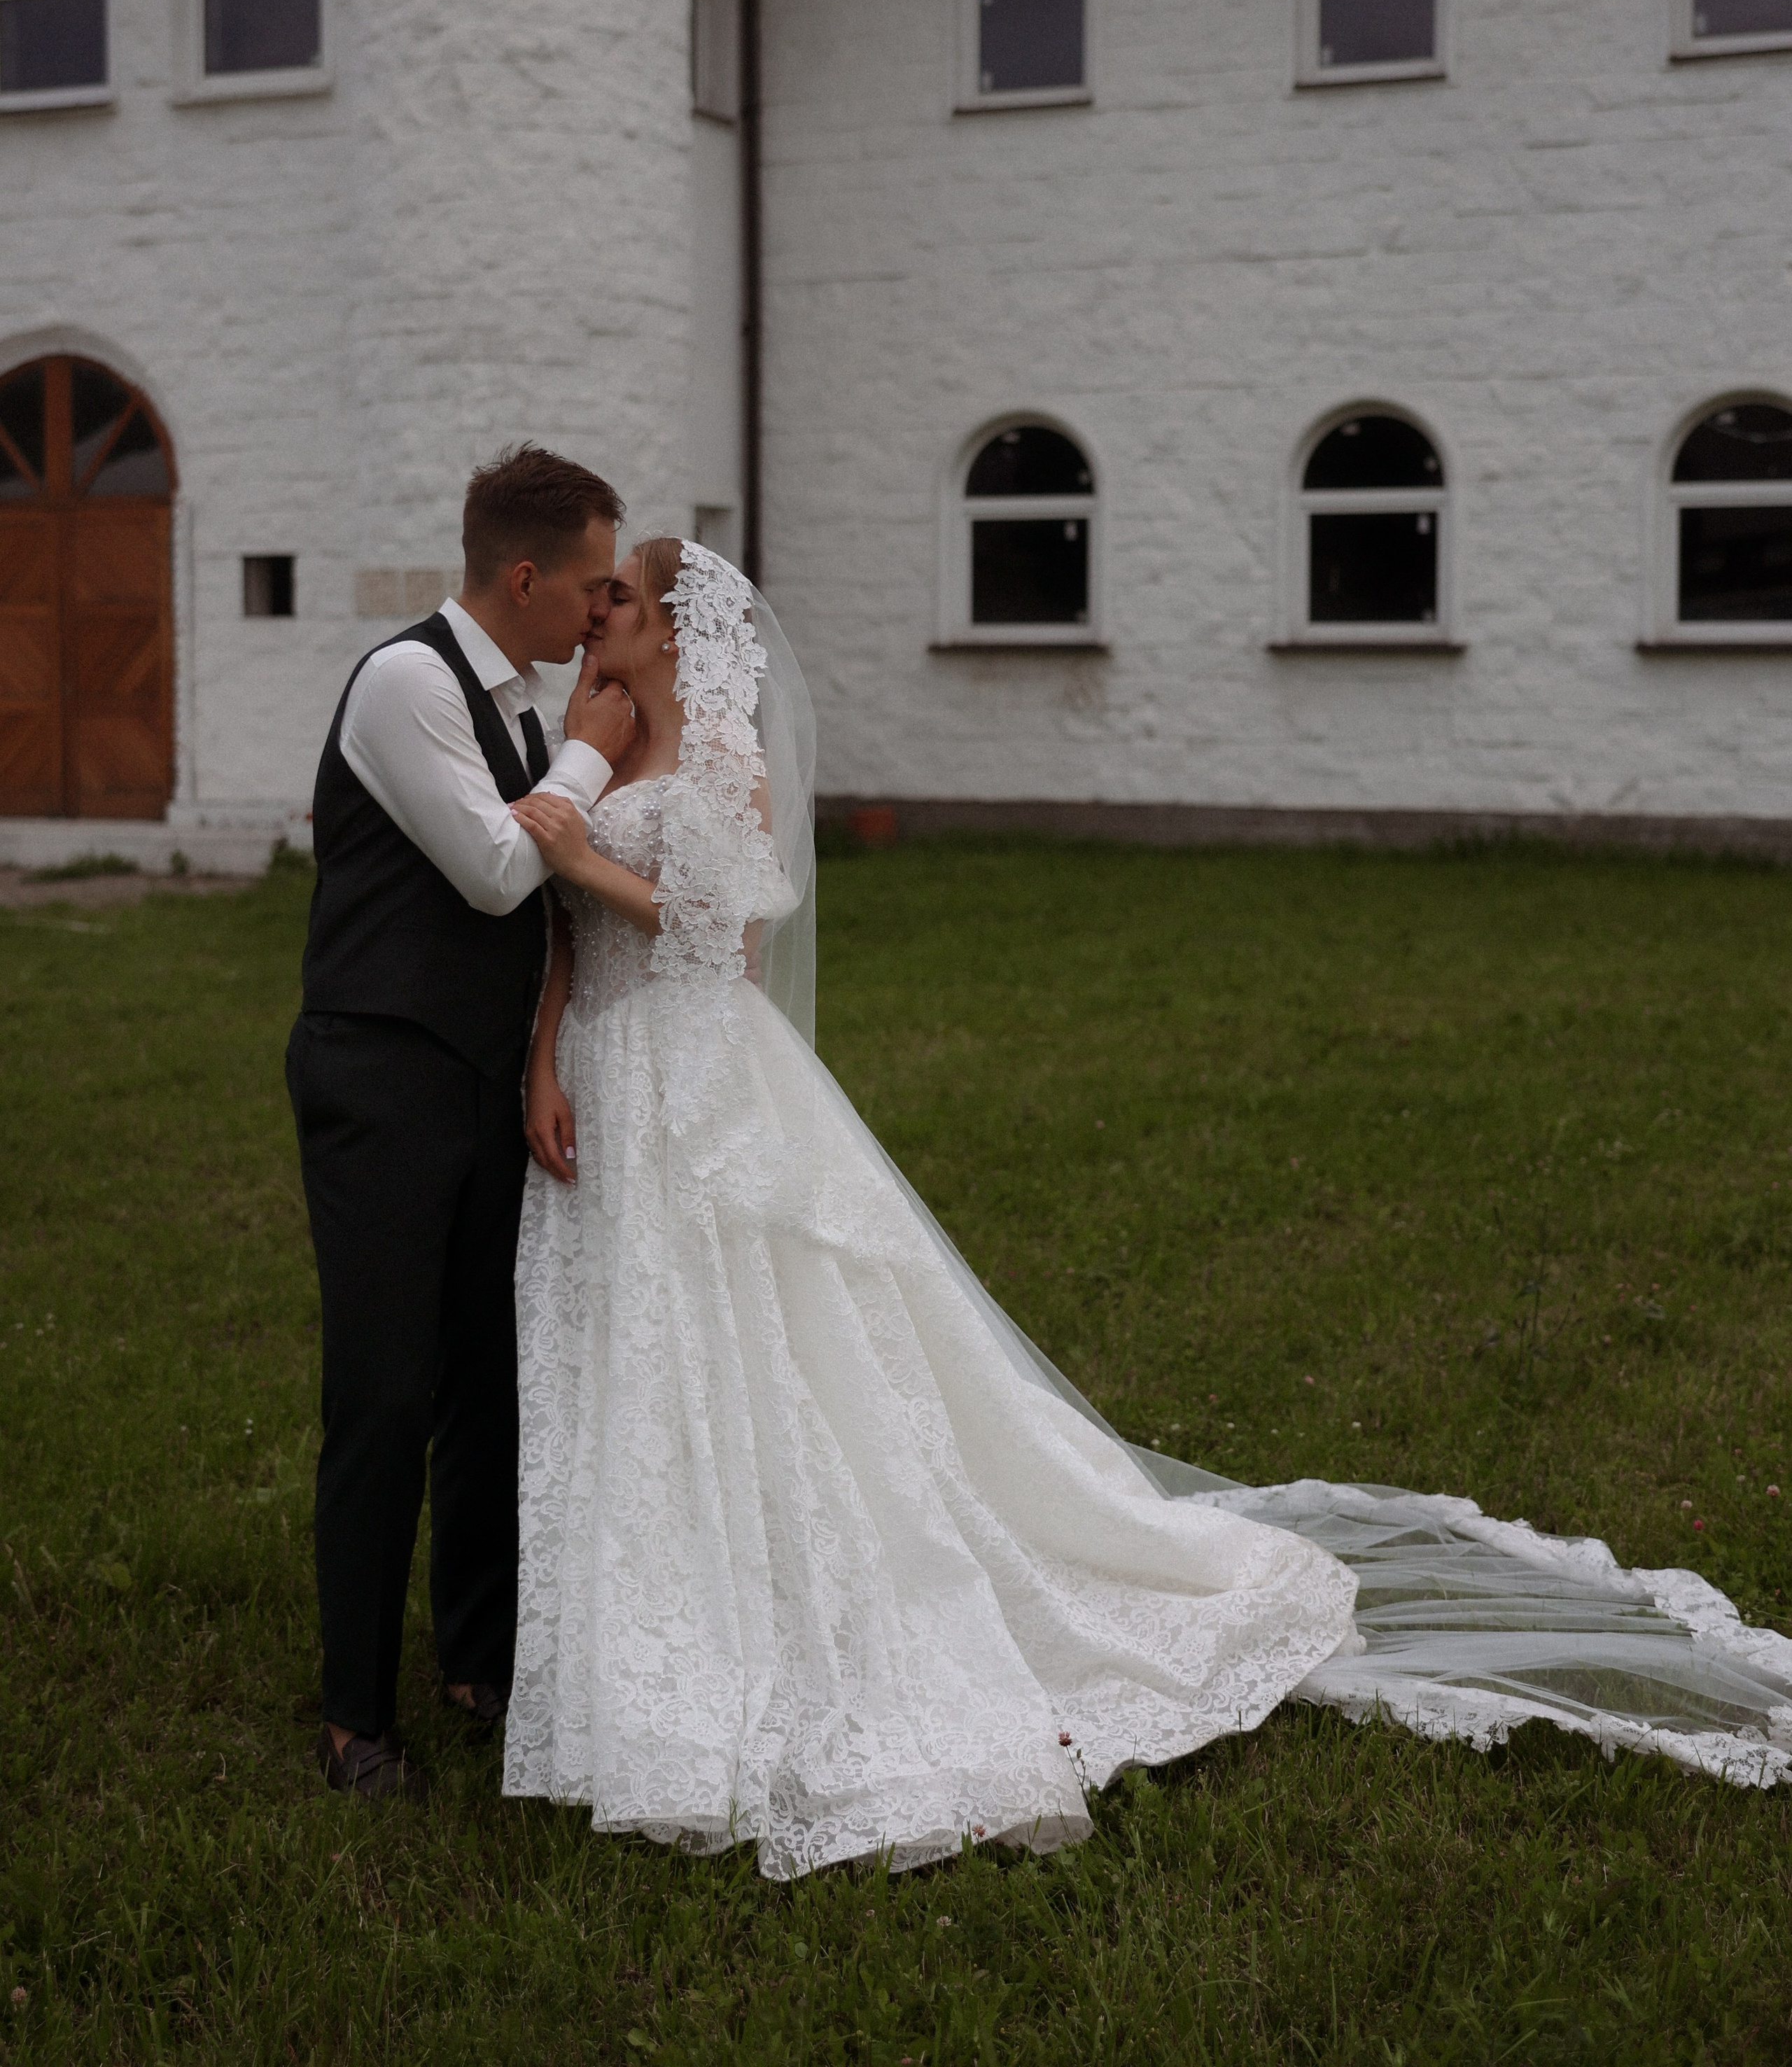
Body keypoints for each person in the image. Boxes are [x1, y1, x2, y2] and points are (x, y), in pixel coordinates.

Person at [504, 538, 1792, 1879]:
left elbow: (729, 942)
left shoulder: (722, 755)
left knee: (760, 1344)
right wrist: (546, 1051)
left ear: (680, 634)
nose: (597, 615)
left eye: (622, 600)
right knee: (636, 1354)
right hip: (602, 1070)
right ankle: (644, 1642)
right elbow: (562, 936)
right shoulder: (597, 739)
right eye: (598, 596)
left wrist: (580, 855)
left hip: (703, 1076)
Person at [287, 444, 637, 1800]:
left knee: (489, 1379)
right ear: (525, 577)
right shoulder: (406, 683)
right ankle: (354, 1717)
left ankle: (478, 1663)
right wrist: (594, 756)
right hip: (379, 1079)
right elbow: (499, 870)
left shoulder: (523, 704)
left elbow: (539, 907)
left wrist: (538, 1060)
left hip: (486, 1079)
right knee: (383, 1393)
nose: (603, 610)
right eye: (593, 586)